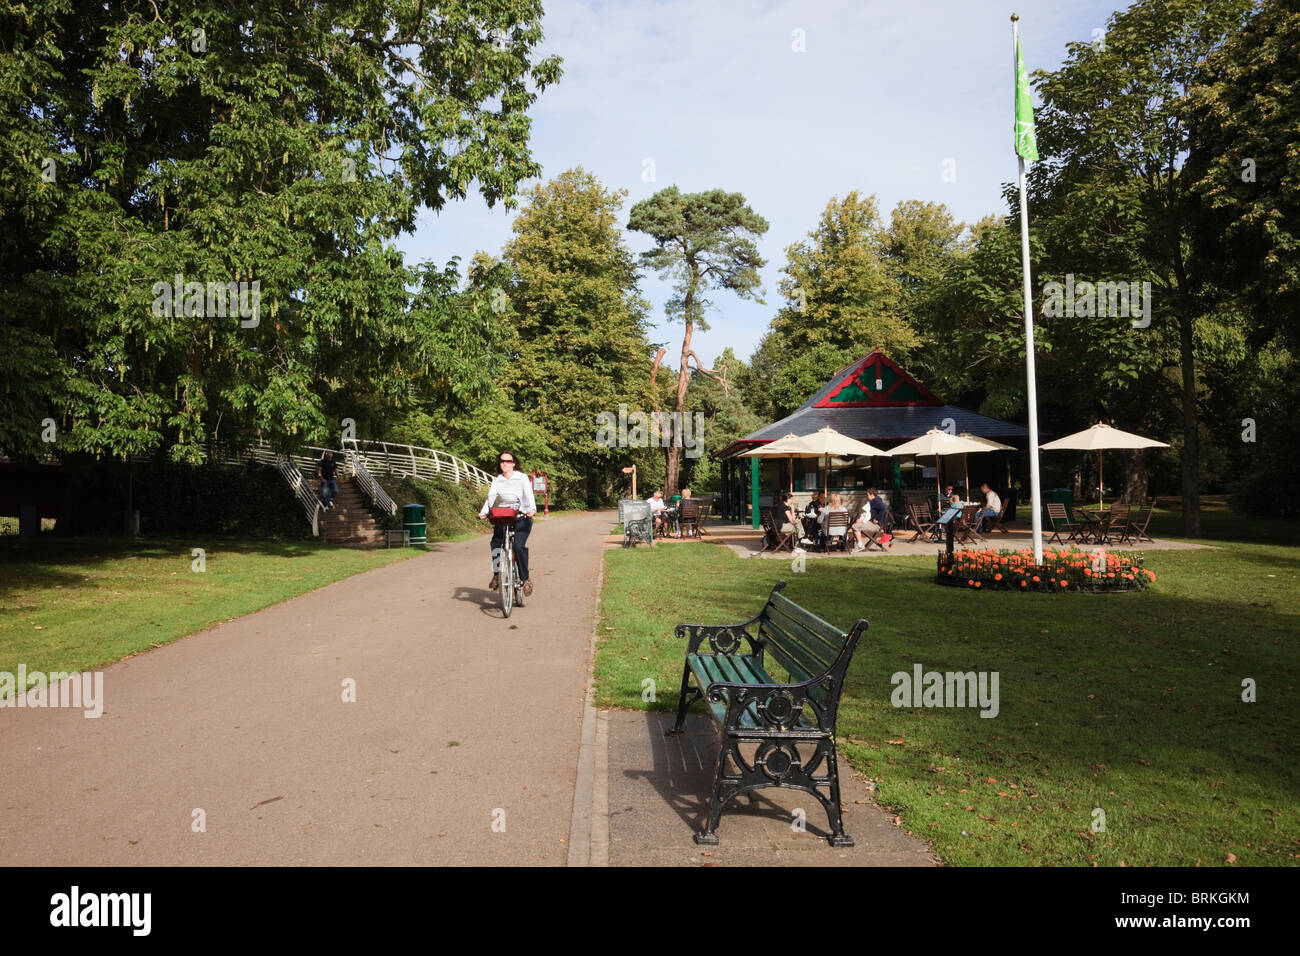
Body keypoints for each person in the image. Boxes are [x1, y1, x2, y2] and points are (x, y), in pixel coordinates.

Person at [478, 451, 537, 595]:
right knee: (495, 543)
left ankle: (525, 578)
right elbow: (491, 498)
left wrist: (532, 509)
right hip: (503, 516)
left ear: (513, 463)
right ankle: (497, 574)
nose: (505, 463)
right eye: (502, 461)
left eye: (508, 461)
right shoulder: (497, 480)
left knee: (518, 545)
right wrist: (484, 511)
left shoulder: (521, 478)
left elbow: (529, 495)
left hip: (521, 517)